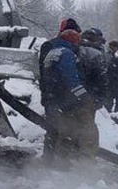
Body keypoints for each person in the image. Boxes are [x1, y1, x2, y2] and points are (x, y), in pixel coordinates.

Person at [40, 29, 97, 167]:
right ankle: (64, 162)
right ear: (73, 41)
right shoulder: (66, 53)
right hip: (64, 99)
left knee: (53, 130)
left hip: (51, 97)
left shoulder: (52, 52)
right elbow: (71, 80)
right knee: (71, 130)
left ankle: (48, 160)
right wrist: (85, 97)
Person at [38, 18, 81, 162]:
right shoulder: (66, 51)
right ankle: (60, 160)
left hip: (53, 94)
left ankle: (50, 158)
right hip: (63, 96)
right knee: (64, 128)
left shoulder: (49, 46)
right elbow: (71, 76)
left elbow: (43, 72)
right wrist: (83, 95)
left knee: (54, 128)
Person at [75, 28, 107, 158]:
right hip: (88, 96)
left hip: (77, 94)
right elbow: (100, 78)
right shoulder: (94, 54)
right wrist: (99, 97)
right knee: (88, 130)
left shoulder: (77, 50)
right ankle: (86, 159)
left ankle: (73, 154)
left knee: (74, 125)